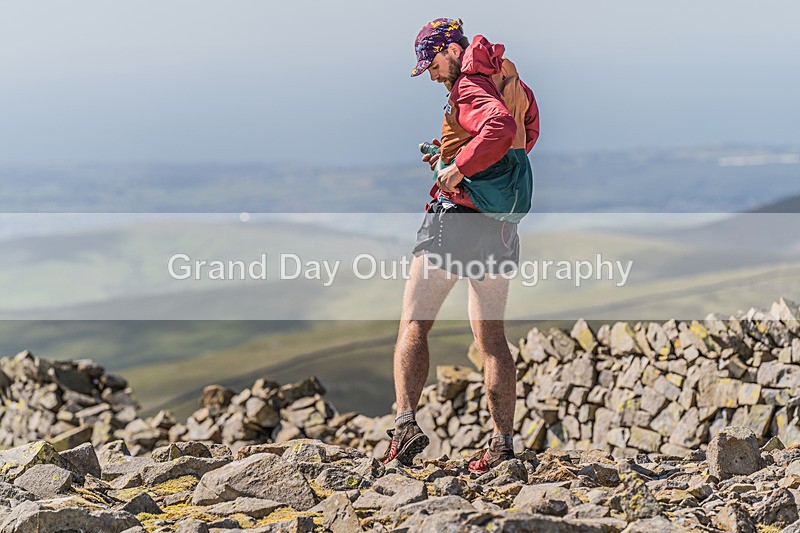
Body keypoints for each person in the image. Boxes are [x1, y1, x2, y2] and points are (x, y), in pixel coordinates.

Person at [381, 18, 539, 474]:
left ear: (451, 49)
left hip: (456, 219)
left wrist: (460, 169)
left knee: (414, 321)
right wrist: (475, 165)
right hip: (499, 222)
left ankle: (405, 426)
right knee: (491, 338)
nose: (430, 73)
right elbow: (527, 131)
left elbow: (501, 127)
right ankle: (502, 444)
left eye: (430, 62)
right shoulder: (504, 75)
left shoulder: (469, 85)